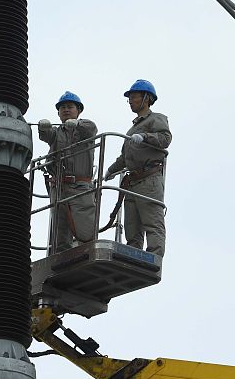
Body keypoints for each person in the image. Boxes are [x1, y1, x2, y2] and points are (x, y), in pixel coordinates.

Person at [104, 79, 171, 257]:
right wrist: (111, 170)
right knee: (132, 227)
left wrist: (146, 136)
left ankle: (154, 257)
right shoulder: (132, 129)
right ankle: (133, 256)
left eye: (134, 97)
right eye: (130, 98)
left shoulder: (156, 119)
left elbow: (165, 139)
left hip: (149, 179)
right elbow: (125, 157)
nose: (131, 101)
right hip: (132, 181)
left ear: (146, 98)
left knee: (152, 222)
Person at [37, 91, 99, 253]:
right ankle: (61, 259)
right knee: (60, 229)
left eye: (70, 107)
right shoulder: (57, 133)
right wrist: (43, 128)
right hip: (59, 188)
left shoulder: (85, 127)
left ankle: (86, 255)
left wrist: (76, 124)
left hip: (80, 186)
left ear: (78, 111)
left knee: (84, 229)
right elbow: (47, 135)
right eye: (62, 107)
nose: (66, 110)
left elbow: (91, 129)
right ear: (58, 113)